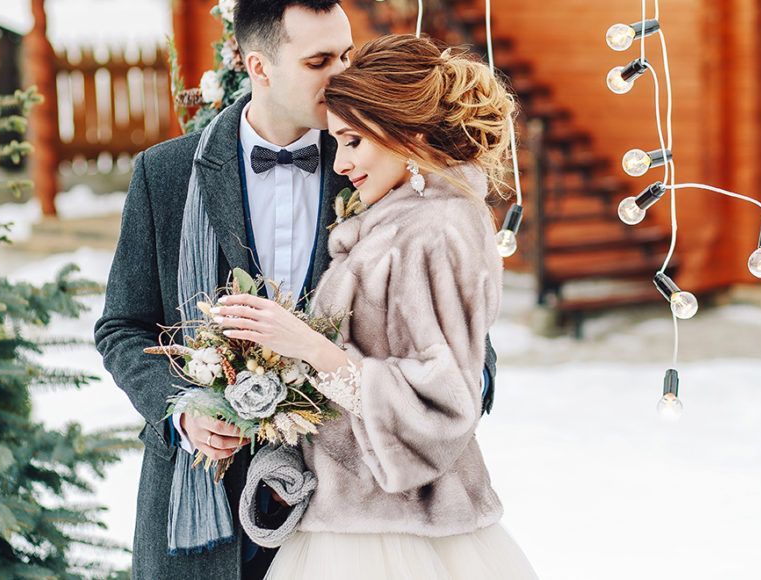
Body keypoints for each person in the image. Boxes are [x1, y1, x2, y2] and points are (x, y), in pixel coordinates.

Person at [93, 1, 499, 577]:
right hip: (199, 506)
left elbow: (446, 319)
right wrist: (182, 412)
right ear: (258, 66)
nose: (342, 76)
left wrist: (450, 401)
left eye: (346, 55)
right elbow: (122, 326)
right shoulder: (167, 174)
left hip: (353, 510)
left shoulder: (370, 158)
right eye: (318, 61)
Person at [214, 34, 537, 579]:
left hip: (396, 532)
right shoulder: (401, 221)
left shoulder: (434, 231)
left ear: (403, 132)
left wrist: (312, 350)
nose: (339, 163)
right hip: (356, 518)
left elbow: (448, 402)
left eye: (353, 142)